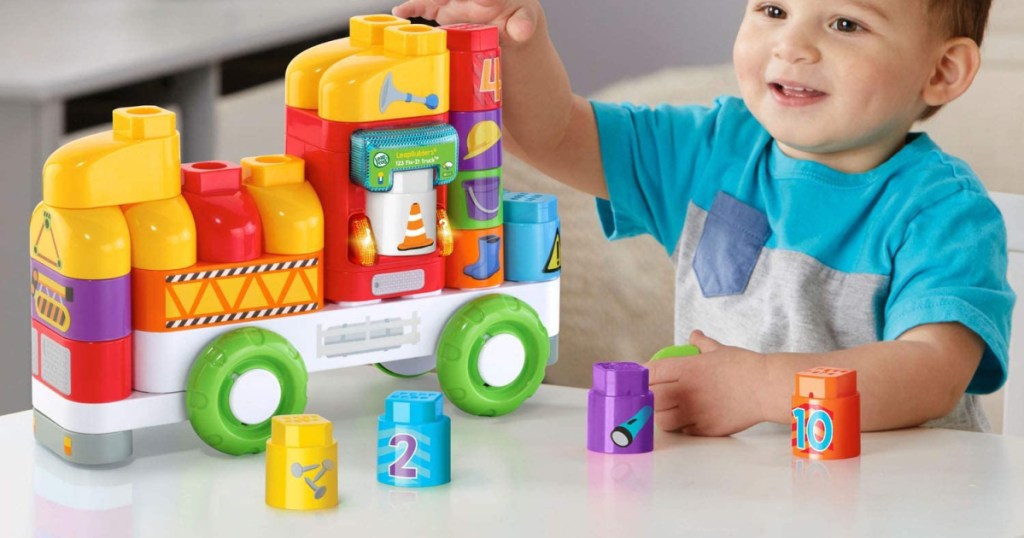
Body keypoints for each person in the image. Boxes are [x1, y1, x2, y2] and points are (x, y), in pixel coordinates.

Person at [393, 0, 1015, 434]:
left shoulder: (944, 211)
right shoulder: (711, 147)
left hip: (901, 501)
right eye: (772, 10)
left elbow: (932, 371)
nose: (791, 45)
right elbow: (555, 131)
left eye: (846, 23)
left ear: (942, 70)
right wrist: (510, 39)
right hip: (737, 492)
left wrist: (756, 390)